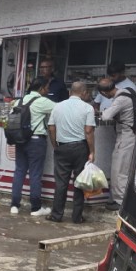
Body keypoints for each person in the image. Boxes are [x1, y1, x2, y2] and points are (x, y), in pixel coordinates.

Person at [47, 81, 97, 224]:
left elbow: (51, 127)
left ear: (70, 92)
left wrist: (55, 145)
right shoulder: (88, 108)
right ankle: (77, 217)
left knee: (61, 183)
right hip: (80, 148)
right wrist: (92, 151)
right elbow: (88, 131)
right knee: (79, 182)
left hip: (62, 148)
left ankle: (56, 215)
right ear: (84, 93)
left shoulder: (57, 106)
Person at [9, 77, 56, 217]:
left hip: (20, 140)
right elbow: (60, 109)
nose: (48, 90)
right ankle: (35, 208)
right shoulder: (43, 101)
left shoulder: (18, 101)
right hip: (36, 141)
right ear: (41, 88)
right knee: (35, 173)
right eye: (47, 87)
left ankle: (14, 205)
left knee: (19, 171)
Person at [96, 77, 136, 210]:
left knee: (120, 170)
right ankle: (119, 199)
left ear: (103, 93)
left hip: (126, 136)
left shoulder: (121, 99)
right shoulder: (126, 92)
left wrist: (100, 113)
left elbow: (106, 116)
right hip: (127, 135)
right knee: (120, 169)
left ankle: (121, 203)